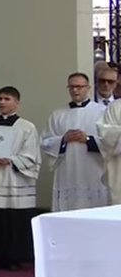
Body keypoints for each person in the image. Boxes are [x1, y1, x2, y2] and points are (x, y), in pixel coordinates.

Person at [0, 86, 40, 270]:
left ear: (17, 103)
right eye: (0, 98)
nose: (2, 102)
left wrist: (11, 160)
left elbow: (31, 156)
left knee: (14, 219)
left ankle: (14, 257)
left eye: (7, 99)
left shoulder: (27, 127)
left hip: (14, 180)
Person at [40, 73, 108, 211]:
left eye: (79, 87)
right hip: (67, 171)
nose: (75, 90)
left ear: (88, 88)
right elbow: (45, 141)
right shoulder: (57, 114)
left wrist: (88, 139)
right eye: (71, 87)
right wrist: (63, 139)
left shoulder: (102, 112)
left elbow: (110, 141)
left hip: (92, 170)